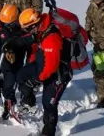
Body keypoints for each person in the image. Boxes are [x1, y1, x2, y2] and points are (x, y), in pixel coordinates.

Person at [15, 8, 73, 136]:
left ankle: (49, 130)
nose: (27, 32)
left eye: (28, 28)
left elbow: (50, 68)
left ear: (34, 25)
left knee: (49, 103)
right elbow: (36, 48)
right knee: (21, 76)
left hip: (57, 75)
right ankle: (29, 103)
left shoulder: (51, 38)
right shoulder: (41, 30)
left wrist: (35, 81)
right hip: (42, 65)